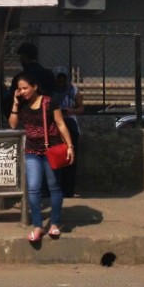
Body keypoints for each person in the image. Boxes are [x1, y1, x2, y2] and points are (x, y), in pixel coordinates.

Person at [8, 71, 75, 243]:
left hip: (51, 150)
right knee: (33, 188)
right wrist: (15, 104)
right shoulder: (22, 104)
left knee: (53, 186)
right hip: (32, 151)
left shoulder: (49, 102)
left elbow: (60, 123)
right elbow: (13, 125)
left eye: (25, 88)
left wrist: (70, 146)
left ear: (34, 87)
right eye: (19, 89)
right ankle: (38, 226)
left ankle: (54, 223)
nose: (22, 91)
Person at [52, 66, 84, 197]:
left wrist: (70, 111)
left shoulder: (72, 90)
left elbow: (81, 108)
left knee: (70, 158)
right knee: (56, 157)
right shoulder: (51, 91)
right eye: (58, 79)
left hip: (70, 123)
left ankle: (68, 189)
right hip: (55, 125)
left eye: (63, 79)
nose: (60, 82)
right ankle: (55, 187)